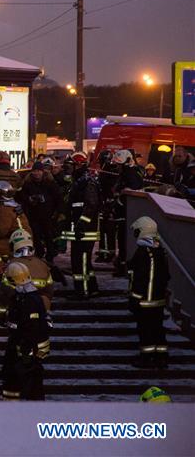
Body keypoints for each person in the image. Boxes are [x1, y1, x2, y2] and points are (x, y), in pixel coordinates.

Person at [0, 261, 51, 401]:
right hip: (19, 345)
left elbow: (32, 329)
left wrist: (27, 351)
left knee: (31, 383)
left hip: (28, 349)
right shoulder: (21, 298)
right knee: (11, 378)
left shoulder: (30, 301)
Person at [128, 217, 170, 369]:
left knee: (145, 330)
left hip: (146, 300)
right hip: (157, 300)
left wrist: (135, 297)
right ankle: (161, 357)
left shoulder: (145, 252)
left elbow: (141, 277)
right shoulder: (159, 251)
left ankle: (146, 358)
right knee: (157, 329)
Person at [17, 161, 66, 286]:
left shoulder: (50, 184)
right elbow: (21, 196)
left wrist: (57, 213)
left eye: (38, 171)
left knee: (49, 237)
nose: (36, 173)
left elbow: (59, 198)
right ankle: (39, 256)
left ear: (42, 171)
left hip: (48, 217)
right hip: (33, 216)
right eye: (34, 171)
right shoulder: (28, 184)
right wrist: (29, 199)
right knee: (36, 237)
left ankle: (50, 257)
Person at [60, 152, 100, 298]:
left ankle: (82, 291)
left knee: (80, 261)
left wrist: (82, 223)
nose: (68, 168)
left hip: (84, 230)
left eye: (71, 165)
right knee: (84, 261)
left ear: (79, 165)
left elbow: (91, 205)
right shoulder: (78, 181)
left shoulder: (87, 182)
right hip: (79, 228)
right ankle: (92, 287)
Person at [0, 229, 54, 318]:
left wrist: (0, 315)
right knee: (45, 298)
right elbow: (49, 291)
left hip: (20, 314)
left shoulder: (12, 266)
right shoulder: (43, 265)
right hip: (40, 313)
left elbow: (4, 294)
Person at [111, 149, 145, 277]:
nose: (117, 167)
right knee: (122, 241)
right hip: (123, 214)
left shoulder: (131, 174)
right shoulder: (126, 174)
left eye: (119, 164)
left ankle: (126, 268)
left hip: (128, 215)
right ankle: (123, 266)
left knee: (125, 242)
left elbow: (132, 192)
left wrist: (121, 194)